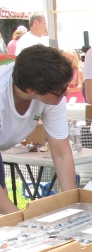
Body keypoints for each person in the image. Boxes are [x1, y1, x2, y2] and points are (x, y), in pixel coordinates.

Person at [0, 45, 78, 213]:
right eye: (60, 91)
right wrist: (20, 219)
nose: (65, 94)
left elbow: (62, 153)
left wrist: (72, 206)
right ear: (31, 90)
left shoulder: (52, 88)